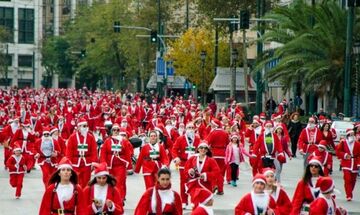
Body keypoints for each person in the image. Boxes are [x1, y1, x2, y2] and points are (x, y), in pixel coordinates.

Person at [100, 123, 132, 201]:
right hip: (109, 166)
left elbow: (127, 154)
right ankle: (110, 198)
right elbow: (103, 153)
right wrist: (103, 165)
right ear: (112, 131)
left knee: (119, 183)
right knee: (110, 183)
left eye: (117, 130)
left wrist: (129, 167)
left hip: (120, 166)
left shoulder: (123, 141)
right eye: (114, 130)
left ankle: (119, 200)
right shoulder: (107, 141)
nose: (116, 131)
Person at [172, 122, 200, 208]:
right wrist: (176, 157)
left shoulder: (198, 139)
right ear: (186, 129)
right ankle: (184, 201)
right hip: (183, 163)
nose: (191, 129)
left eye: (192, 127)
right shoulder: (180, 138)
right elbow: (174, 149)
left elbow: (201, 149)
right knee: (183, 182)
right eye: (189, 127)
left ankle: (193, 200)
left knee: (194, 182)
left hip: (194, 163)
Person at [66, 118, 98, 188]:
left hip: (87, 162)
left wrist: (93, 162)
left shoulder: (91, 137)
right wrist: (69, 163)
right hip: (75, 162)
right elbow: (69, 151)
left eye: (86, 126)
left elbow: (94, 151)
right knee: (75, 181)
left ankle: (85, 197)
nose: (85, 128)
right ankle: (77, 196)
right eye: (83, 126)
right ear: (78, 127)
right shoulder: (72, 137)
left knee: (86, 181)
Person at [205, 118, 229, 195]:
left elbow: (207, 142)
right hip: (223, 153)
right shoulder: (225, 133)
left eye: (212, 124)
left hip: (214, 153)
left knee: (213, 171)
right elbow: (228, 143)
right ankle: (220, 189)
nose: (211, 125)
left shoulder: (213, 133)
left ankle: (214, 185)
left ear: (214, 125)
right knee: (221, 173)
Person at [335, 128, 360, 201]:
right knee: (347, 179)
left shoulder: (358, 144)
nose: (352, 136)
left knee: (353, 180)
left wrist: (358, 163)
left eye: (353, 134)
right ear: (348, 135)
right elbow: (338, 151)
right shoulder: (343, 143)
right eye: (351, 134)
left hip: (355, 163)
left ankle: (349, 192)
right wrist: (345, 155)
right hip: (346, 163)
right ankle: (349, 195)